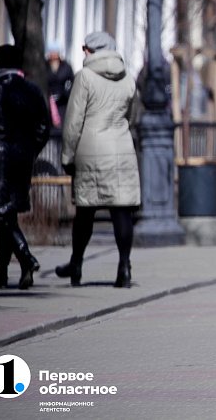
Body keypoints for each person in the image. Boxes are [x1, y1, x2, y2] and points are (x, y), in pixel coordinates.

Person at [56, 31, 140, 288]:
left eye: (86, 49)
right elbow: (132, 116)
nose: (84, 53)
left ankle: (77, 264)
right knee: (122, 210)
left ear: (92, 51)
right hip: (122, 149)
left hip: (91, 149)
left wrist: (67, 156)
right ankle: (124, 266)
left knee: (85, 212)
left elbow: (72, 122)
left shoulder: (85, 78)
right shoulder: (128, 78)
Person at [0, 45, 51, 289]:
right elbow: (43, 127)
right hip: (22, 161)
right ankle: (2, 271)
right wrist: (30, 151)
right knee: (6, 212)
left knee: (1, 212)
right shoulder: (32, 90)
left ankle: (26, 257)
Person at [45, 41, 75, 129]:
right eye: (51, 52)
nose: (53, 54)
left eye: (55, 52)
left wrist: (65, 93)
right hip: (48, 103)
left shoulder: (66, 67)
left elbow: (71, 82)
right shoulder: (44, 66)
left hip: (62, 103)